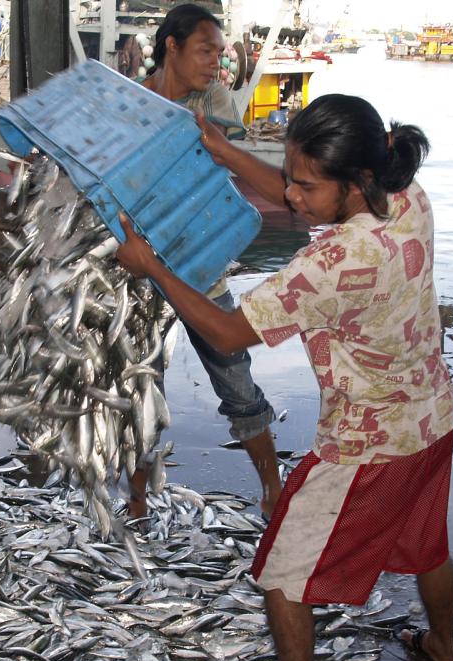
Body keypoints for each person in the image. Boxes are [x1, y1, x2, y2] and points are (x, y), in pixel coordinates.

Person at [115, 94, 453, 661]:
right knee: (427, 541)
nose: (292, 196)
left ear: (355, 181)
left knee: (281, 576)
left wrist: (154, 268)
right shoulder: (407, 196)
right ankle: (443, 646)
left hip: (367, 446)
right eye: (292, 177)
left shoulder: (329, 264)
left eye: (306, 185)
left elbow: (226, 333)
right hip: (432, 417)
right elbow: (300, 190)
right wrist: (223, 151)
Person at [129, 3, 281, 520]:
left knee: (237, 382)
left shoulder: (212, 98)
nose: (216, 62)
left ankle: (273, 488)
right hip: (141, 273)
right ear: (171, 47)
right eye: (205, 50)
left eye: (219, 52)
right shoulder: (129, 98)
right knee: (141, 388)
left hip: (201, 263)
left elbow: (214, 154)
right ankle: (136, 500)